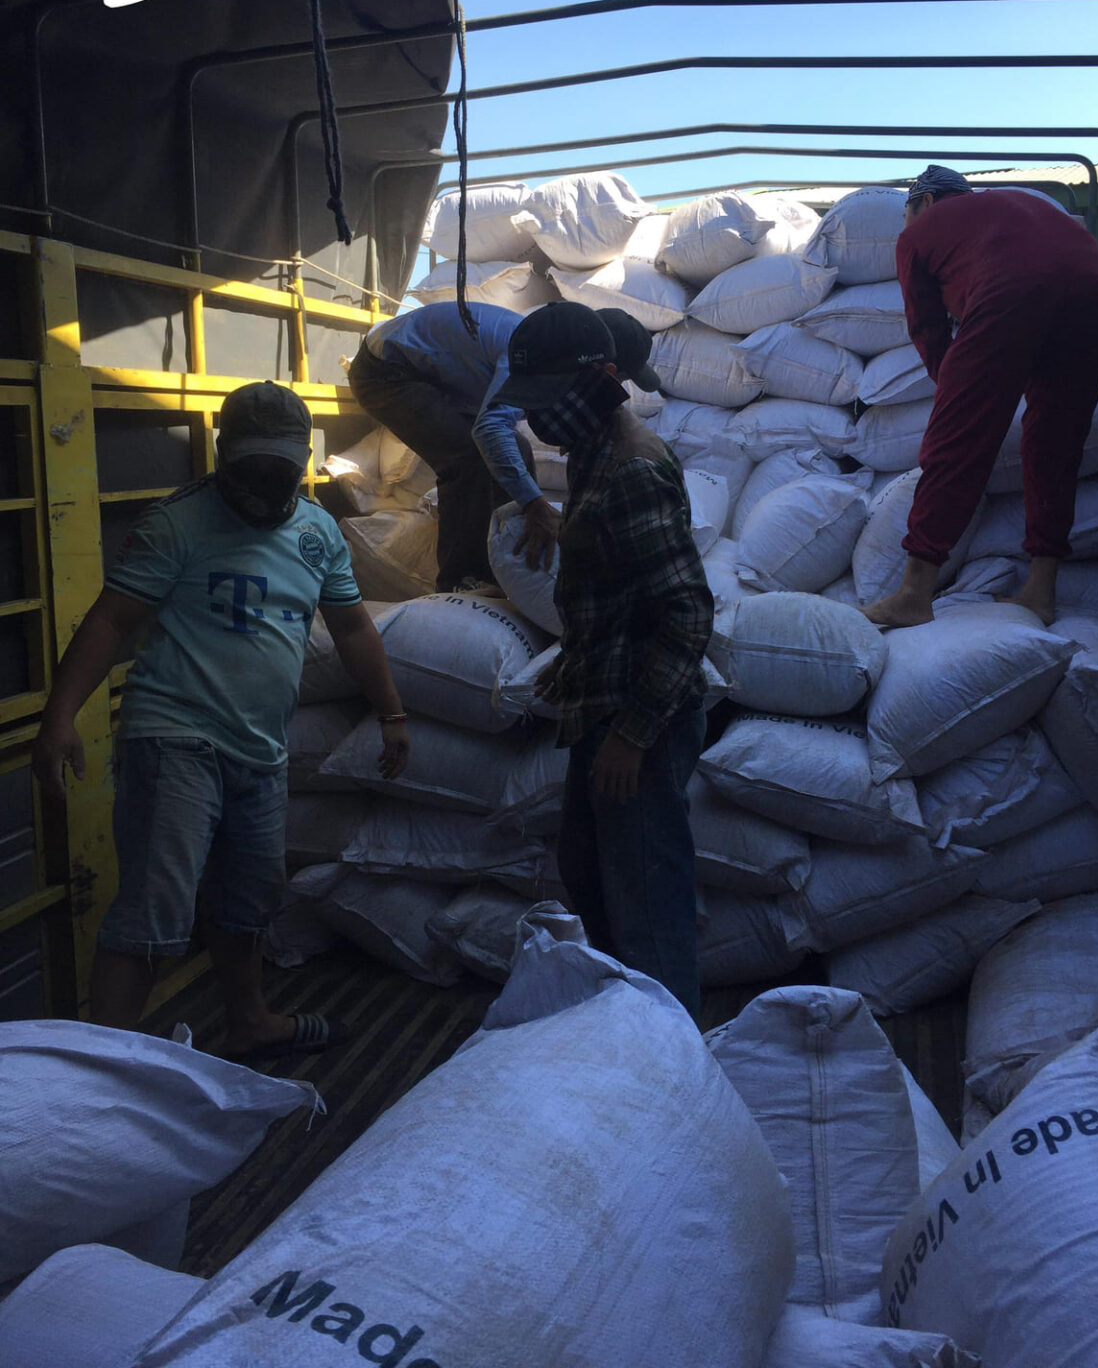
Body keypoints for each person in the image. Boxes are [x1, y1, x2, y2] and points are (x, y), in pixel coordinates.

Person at [31, 381, 409, 1059]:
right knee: (154, 911)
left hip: (260, 752)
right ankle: (97, 1072)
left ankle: (250, 1022)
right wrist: (59, 717)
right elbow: (111, 621)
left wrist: (392, 712)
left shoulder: (317, 532)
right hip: (173, 741)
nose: (264, 487)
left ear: (303, 462)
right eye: (251, 470)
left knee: (248, 901)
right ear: (222, 453)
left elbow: (353, 629)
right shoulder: (177, 524)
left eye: (279, 472)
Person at [492, 302, 714, 1019]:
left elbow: (687, 613)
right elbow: (616, 590)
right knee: (587, 871)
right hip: (604, 703)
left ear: (597, 380)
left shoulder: (632, 470)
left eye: (547, 400)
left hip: (639, 721)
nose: (537, 419)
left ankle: (669, 1044)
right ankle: (623, 1027)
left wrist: (632, 735)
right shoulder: (591, 450)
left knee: (645, 896)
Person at [861, 165, 1098, 629]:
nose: (905, 225)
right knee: (1057, 442)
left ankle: (914, 593)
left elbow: (927, 328)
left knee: (957, 442)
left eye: (906, 214)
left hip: (1012, 286)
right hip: (1093, 282)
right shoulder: (1017, 206)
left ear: (926, 202)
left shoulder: (920, 233)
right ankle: (1040, 593)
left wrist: (956, 391)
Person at [346, 299, 662, 591]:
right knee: (469, 458)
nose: (614, 389)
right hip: (385, 370)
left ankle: (510, 562)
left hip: (431, 372)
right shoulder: (532, 355)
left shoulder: (552, 351)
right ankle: (461, 579)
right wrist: (534, 504)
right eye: (618, 379)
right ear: (595, 361)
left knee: (517, 451)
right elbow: (490, 430)